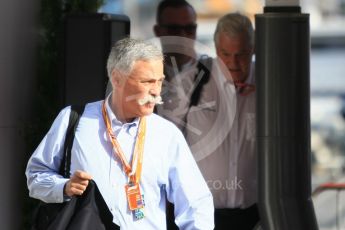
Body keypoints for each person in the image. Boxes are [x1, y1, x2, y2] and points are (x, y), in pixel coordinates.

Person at [26, 37, 214, 230]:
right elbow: (35, 176)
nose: (157, 92)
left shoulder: (167, 135)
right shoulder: (73, 119)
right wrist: (64, 187)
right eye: (147, 81)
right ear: (117, 79)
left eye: (160, 81)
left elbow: (196, 204)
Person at [185, 13, 259, 229]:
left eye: (242, 54)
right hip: (202, 216)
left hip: (255, 215)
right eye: (226, 54)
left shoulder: (268, 84)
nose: (234, 63)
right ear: (216, 50)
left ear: (253, 49)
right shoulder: (191, 83)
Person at [153, 0, 213, 131]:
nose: (183, 35)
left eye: (189, 29)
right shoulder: (143, 76)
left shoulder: (215, 72)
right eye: (174, 29)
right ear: (157, 31)